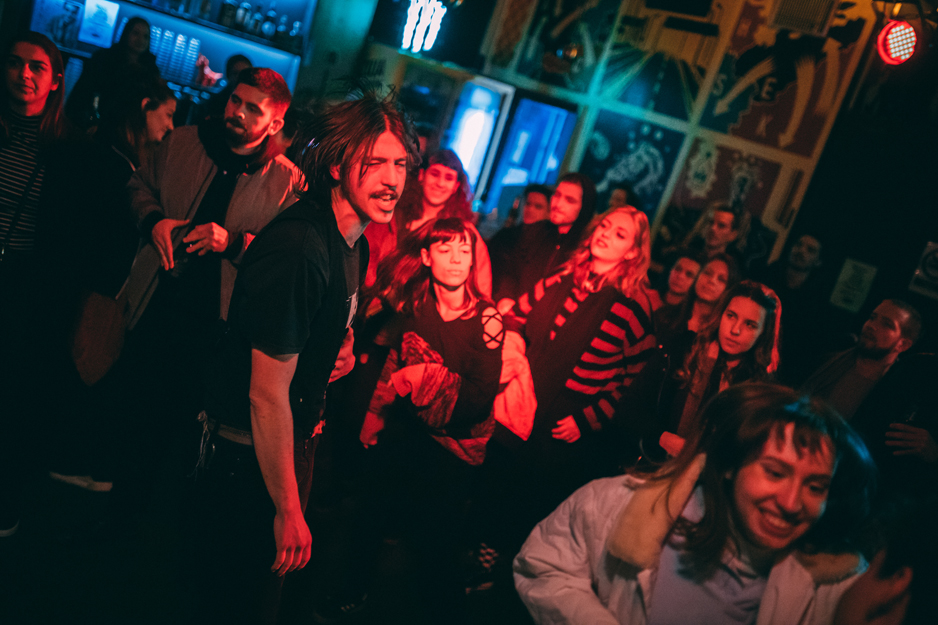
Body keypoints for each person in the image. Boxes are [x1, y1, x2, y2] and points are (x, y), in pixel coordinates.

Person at [193, 91, 418, 624]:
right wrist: (288, 509)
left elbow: (329, 322)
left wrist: (340, 347)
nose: (393, 180)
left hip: (290, 442)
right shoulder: (301, 246)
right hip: (247, 454)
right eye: (376, 163)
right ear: (337, 166)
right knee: (236, 604)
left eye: (401, 165)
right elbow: (265, 394)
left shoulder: (355, 240)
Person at [514, 383, 877, 625]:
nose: (791, 502)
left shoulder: (838, 588)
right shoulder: (620, 504)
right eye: (774, 472)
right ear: (731, 465)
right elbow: (545, 566)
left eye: (815, 486)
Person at [110, 68, 301, 518]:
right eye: (236, 100)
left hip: (218, 326)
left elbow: (283, 259)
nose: (237, 112)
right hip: (157, 304)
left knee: (191, 435)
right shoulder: (185, 142)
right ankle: (120, 516)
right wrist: (154, 220)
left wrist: (231, 242)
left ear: (275, 123)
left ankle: (167, 532)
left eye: (253, 108)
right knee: (136, 416)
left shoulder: (286, 181)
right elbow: (138, 186)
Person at [328, 218, 504, 621]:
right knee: (369, 514)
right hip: (407, 428)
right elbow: (397, 357)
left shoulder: (488, 320)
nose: (456, 259)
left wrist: (424, 378)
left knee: (435, 541)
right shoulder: (416, 303)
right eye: (445, 249)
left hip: (454, 444)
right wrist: (376, 413)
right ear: (426, 257)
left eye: (464, 250)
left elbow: (478, 400)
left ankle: (444, 610)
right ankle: (353, 590)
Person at [484, 205, 657, 565]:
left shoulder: (632, 306)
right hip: (526, 399)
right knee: (496, 491)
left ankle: (506, 576)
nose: (605, 234)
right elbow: (517, 313)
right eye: (604, 225)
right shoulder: (565, 277)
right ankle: (480, 561)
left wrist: (588, 419)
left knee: (532, 508)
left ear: (633, 252)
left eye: (620, 234)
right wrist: (514, 353)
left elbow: (633, 381)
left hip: (566, 421)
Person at [45, 76, 177, 491]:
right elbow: (104, 240)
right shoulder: (116, 164)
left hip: (73, 283)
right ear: (144, 106)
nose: (171, 126)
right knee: (82, 366)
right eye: (167, 114)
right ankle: (64, 459)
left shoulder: (101, 147)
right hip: (93, 287)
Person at [0, 31, 72, 538]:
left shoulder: (66, 148)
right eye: (15, 63)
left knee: (12, 394)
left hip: (24, 283)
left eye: (36, 67)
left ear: (55, 80)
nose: (23, 74)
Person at [801, 299, 936, 496]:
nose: (872, 325)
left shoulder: (900, 392)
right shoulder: (828, 361)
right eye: (873, 317)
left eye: (887, 324)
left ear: (903, 344)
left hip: (845, 484)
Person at [365, 148, 492, 295]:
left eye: (449, 178)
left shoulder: (464, 232)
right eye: (435, 174)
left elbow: (481, 285)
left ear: (456, 186)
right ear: (421, 175)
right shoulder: (390, 216)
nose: (440, 183)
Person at [752, 234, 829, 385]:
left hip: (780, 373)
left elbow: (807, 348)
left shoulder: (815, 302)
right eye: (798, 244)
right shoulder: (767, 277)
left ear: (818, 261)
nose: (801, 251)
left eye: (810, 250)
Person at [65, 17, 160, 129]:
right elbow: (84, 90)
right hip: (96, 123)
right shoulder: (105, 59)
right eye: (136, 33)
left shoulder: (151, 70)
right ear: (126, 33)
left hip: (129, 128)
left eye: (145, 36)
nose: (141, 40)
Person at [654, 253, 739, 351]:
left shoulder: (720, 338)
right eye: (707, 273)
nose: (712, 281)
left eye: (721, 279)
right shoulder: (664, 316)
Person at [487, 183, 556, 302]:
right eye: (528, 204)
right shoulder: (506, 236)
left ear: (549, 212)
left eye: (538, 206)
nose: (530, 209)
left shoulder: (551, 245)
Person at [202, 54, 252, 121]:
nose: (239, 77)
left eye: (244, 74)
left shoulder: (255, 101)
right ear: (228, 75)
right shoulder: (215, 103)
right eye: (235, 73)